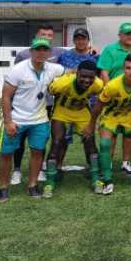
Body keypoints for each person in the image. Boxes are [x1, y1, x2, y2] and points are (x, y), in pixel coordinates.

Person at [0, 37, 65, 202]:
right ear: (31, 51)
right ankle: (3, 187)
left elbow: (71, 72)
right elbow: (5, 97)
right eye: (37, 49)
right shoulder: (18, 70)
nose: (41, 53)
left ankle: (32, 185)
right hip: (17, 119)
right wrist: (8, 121)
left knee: (37, 152)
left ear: (49, 53)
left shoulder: (53, 68)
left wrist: (91, 58)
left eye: (44, 50)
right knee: (6, 154)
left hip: (40, 120)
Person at [90, 54, 131, 194]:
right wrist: (91, 124)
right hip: (111, 116)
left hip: (130, 116)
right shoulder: (113, 85)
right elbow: (99, 105)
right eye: (128, 68)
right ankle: (107, 179)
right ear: (123, 69)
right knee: (105, 143)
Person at [10, 24, 64, 186]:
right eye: (43, 34)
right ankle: (17, 170)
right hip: (23, 106)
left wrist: (92, 53)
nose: (46, 37)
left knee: (41, 138)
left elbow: (73, 63)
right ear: (36, 36)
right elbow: (15, 80)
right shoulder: (23, 55)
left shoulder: (60, 53)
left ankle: (40, 168)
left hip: (47, 104)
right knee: (20, 140)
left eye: (49, 34)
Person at [43, 60, 103, 197]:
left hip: (82, 111)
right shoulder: (63, 83)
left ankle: (95, 178)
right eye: (83, 76)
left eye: (90, 77)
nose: (87, 80)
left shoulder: (98, 84)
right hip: (62, 110)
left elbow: (100, 96)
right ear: (77, 73)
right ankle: (49, 181)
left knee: (90, 142)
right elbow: (49, 90)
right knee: (57, 142)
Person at [97, 22, 131, 175]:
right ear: (120, 35)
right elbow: (104, 71)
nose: (130, 36)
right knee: (110, 132)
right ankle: (108, 162)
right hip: (113, 96)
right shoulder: (110, 49)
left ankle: (126, 162)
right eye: (127, 33)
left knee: (130, 132)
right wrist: (109, 91)